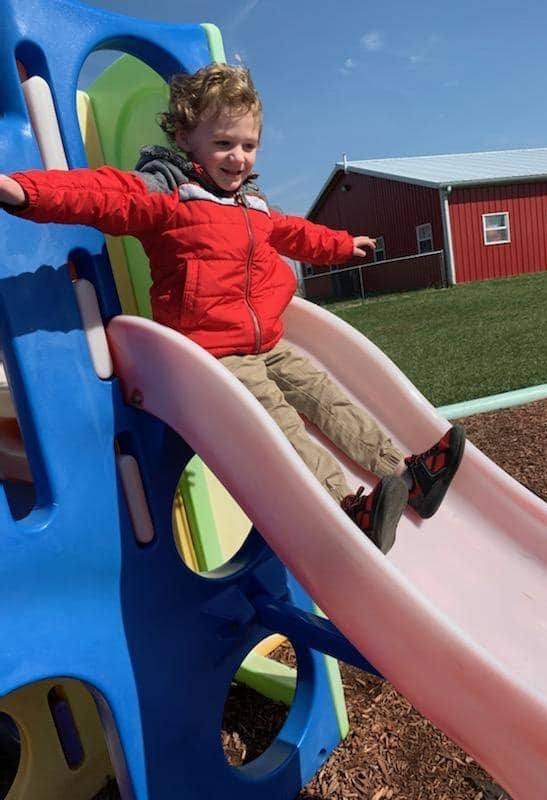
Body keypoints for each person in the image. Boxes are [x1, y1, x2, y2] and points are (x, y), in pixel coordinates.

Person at [0, 63, 464, 554]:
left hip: (268, 342)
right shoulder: (169, 194)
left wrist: (343, 245)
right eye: (224, 144)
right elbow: (101, 194)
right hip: (216, 355)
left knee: (328, 397)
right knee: (279, 421)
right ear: (185, 137)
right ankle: (348, 510)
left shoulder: (252, 204)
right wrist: (23, 191)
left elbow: (296, 234)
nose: (238, 157)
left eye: (248, 145)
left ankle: (407, 476)